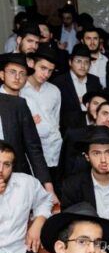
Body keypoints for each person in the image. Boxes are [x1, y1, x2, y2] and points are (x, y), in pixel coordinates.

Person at [0, 140, 52, 253]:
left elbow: (45, 201)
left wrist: (38, 222)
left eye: (6, 164)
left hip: (17, 251)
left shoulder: (26, 183)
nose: (1, 170)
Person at [0, 54, 54, 193]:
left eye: (22, 73)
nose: (17, 77)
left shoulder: (22, 103)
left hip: (17, 175)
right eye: (12, 72)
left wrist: (48, 186)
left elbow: (33, 147)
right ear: (2, 75)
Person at [60, 127, 109, 216]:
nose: (103, 159)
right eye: (96, 153)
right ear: (87, 156)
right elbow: (68, 220)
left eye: (108, 152)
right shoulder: (73, 186)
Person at [21, 46, 62, 179]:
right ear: (32, 63)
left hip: (54, 151)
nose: (46, 74)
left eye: (50, 71)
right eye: (43, 68)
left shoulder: (54, 91)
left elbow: (56, 121)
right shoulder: (20, 90)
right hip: (30, 152)